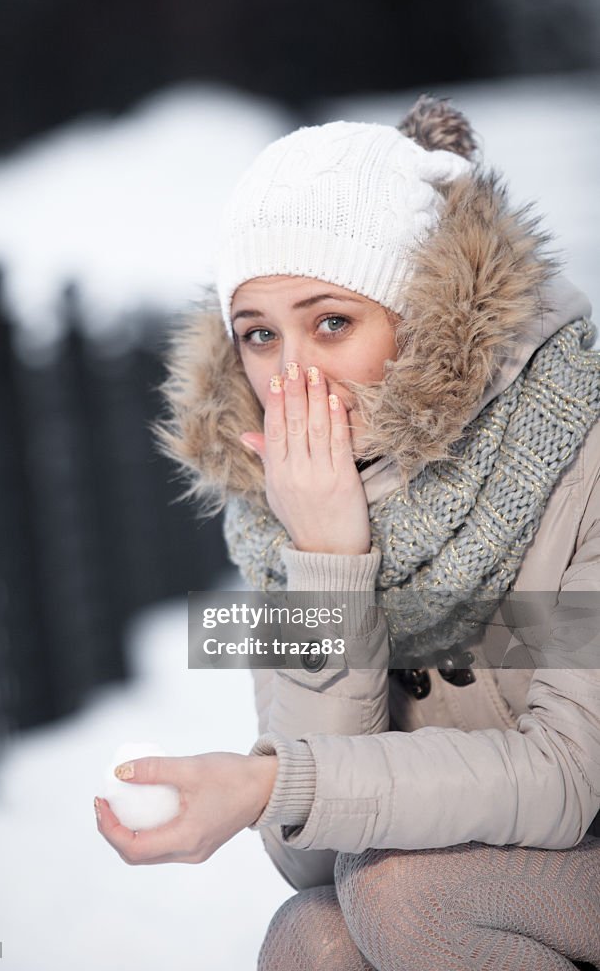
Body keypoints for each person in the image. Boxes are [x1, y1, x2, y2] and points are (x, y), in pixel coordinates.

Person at [95, 96, 600, 971]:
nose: (289, 374)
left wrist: (269, 779)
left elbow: (565, 777)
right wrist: (328, 560)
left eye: (331, 322)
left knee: (401, 892)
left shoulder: (577, 443)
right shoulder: (275, 509)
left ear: (426, 315)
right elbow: (310, 856)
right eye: (258, 335)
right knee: (312, 936)